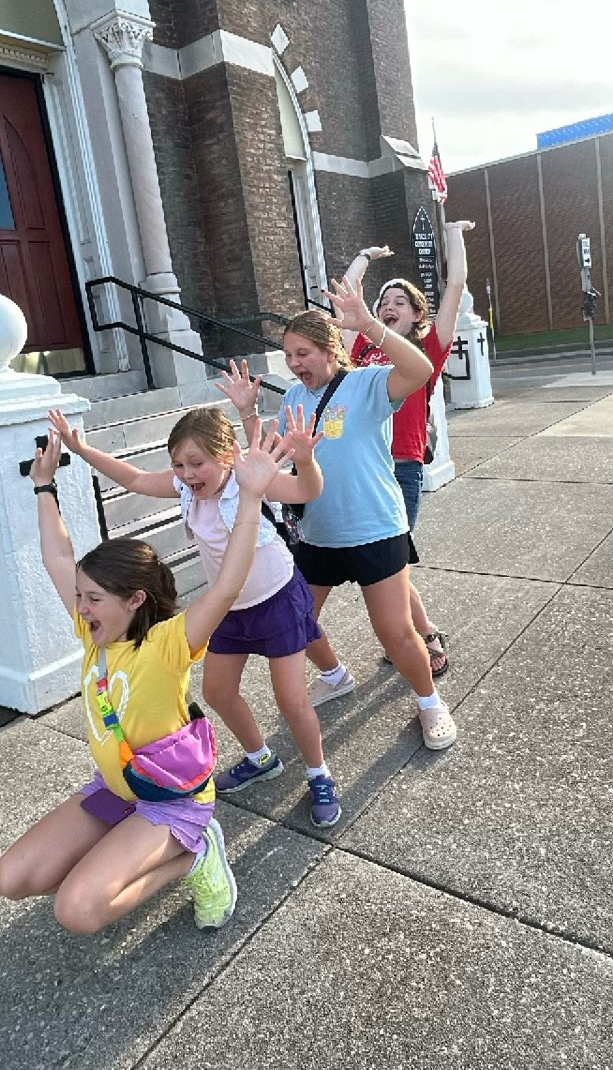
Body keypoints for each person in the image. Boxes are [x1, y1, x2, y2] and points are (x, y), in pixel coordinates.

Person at [0, 421, 292, 934]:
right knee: (14, 878)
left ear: (135, 600)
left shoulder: (167, 644)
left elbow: (226, 587)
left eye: (93, 598)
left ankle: (195, 856)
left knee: (77, 911)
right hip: (118, 787)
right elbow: (58, 555)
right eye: (80, 596)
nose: (81, 606)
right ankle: (122, 852)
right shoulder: (94, 633)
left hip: (172, 795)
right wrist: (43, 487)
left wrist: (250, 499)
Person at [48, 403, 342, 828]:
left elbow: (307, 490)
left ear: (227, 457)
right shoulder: (186, 488)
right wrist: (83, 449)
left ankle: (319, 775)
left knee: (292, 700)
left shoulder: (248, 481)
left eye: (196, 463)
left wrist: (306, 459)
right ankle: (261, 757)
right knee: (219, 691)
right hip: (229, 609)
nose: (187, 473)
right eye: (178, 464)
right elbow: (132, 478)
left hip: (277, 598)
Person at [218, 271, 458, 752]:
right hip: (320, 535)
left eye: (302, 353)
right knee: (298, 623)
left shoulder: (367, 384)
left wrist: (370, 323)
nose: (294, 363)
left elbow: (420, 370)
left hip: (374, 529)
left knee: (396, 635)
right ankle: (335, 676)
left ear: (330, 351)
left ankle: (431, 702)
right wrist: (247, 414)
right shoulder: (293, 399)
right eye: (288, 355)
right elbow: (270, 463)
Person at [333, 222, 475, 683]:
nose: (387, 307)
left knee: (392, 562)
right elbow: (348, 298)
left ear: (417, 316)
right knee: (388, 562)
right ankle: (416, 636)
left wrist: (452, 234)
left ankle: (423, 634)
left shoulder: (428, 347)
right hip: (362, 469)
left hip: (401, 467)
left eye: (399, 303)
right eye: (383, 303)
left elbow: (455, 284)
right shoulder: (361, 349)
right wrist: (364, 257)